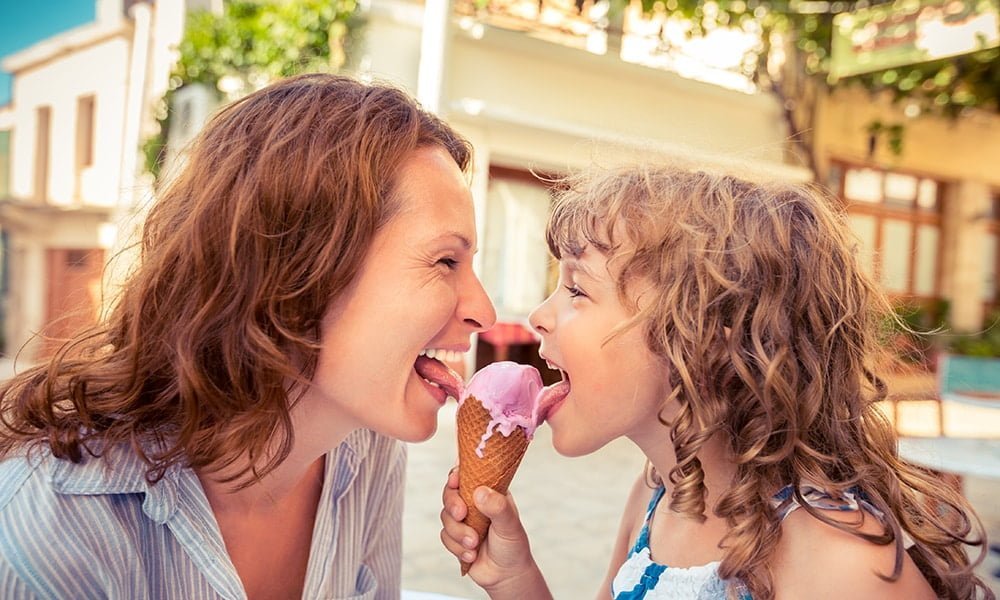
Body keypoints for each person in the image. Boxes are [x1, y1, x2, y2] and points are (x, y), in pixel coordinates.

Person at [0, 73, 496, 599]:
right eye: (446, 261)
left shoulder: (365, 445)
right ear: (298, 272)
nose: (483, 311)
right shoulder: (51, 528)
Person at [440, 164, 994, 599]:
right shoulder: (660, 496)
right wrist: (514, 580)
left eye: (578, 290)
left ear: (705, 339)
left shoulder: (840, 561)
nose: (539, 313)